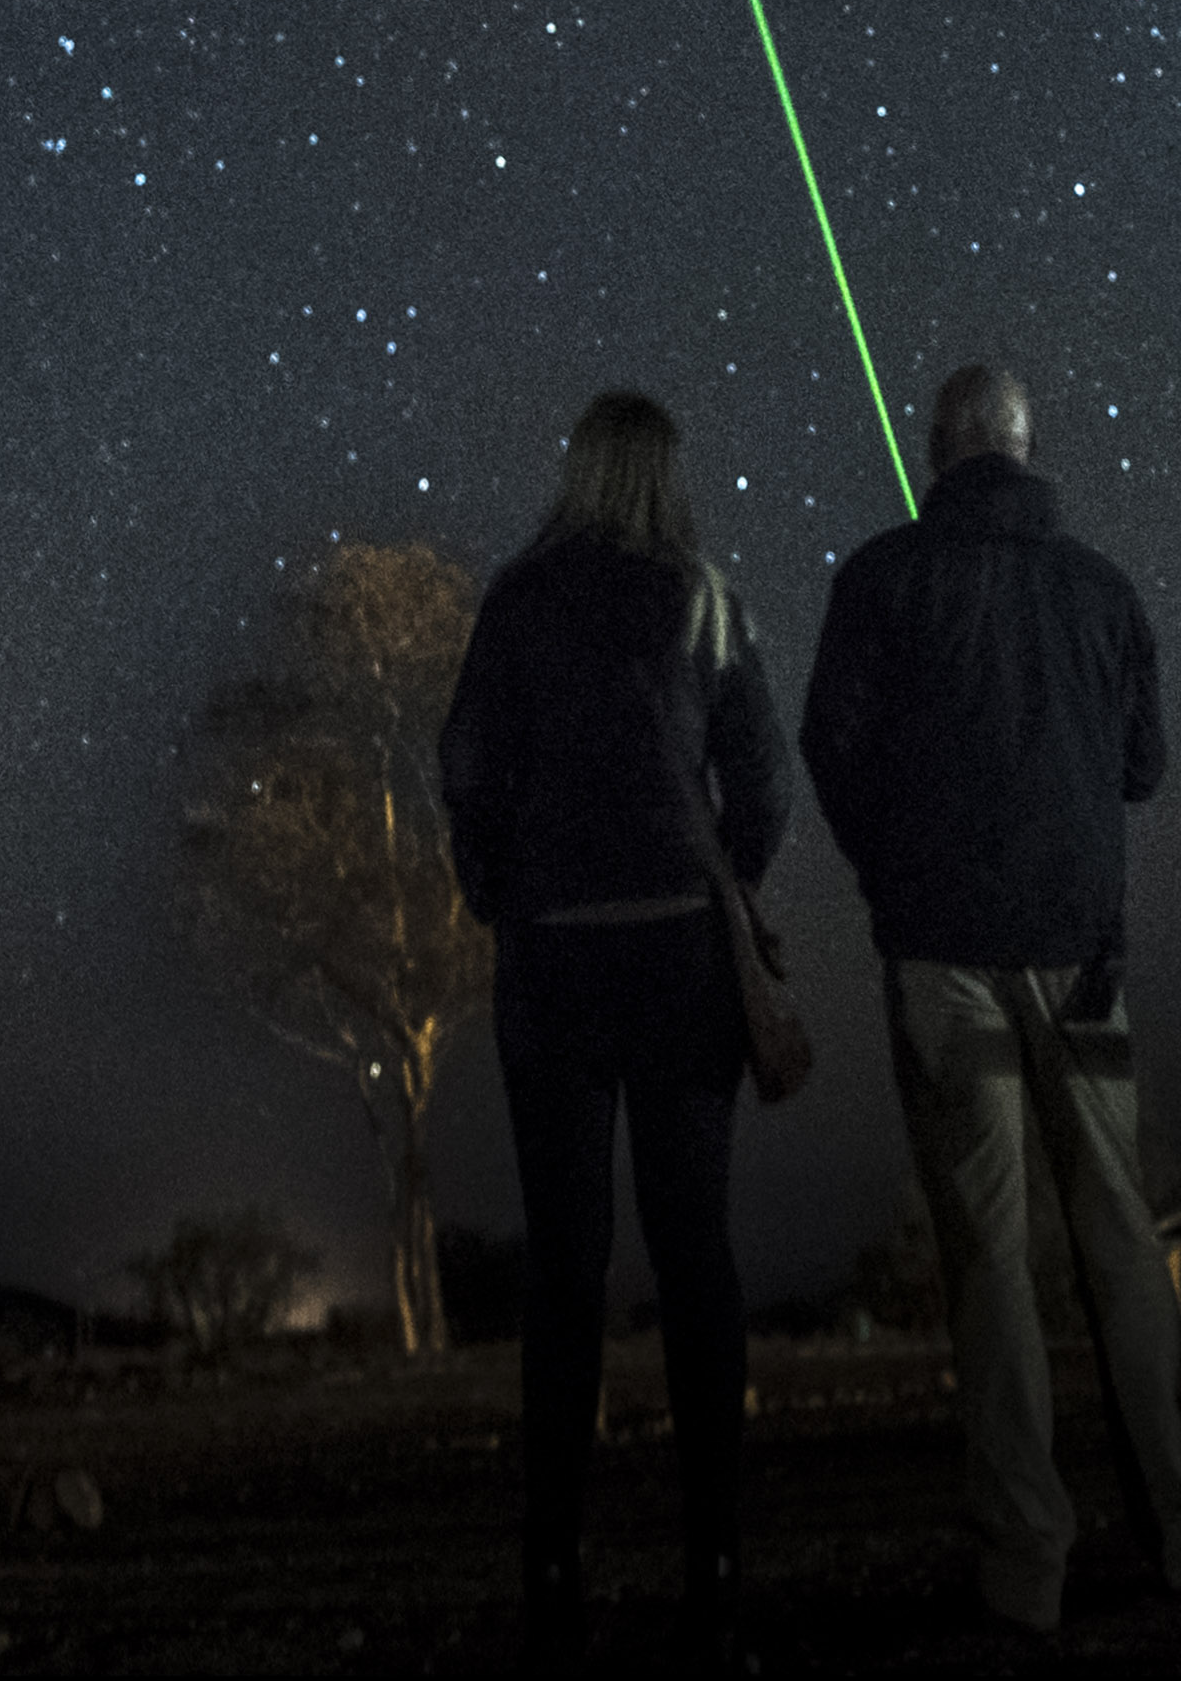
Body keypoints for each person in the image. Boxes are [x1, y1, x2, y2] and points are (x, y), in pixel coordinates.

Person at [797, 363, 1181, 1634]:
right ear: (1030, 449)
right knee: (1118, 1233)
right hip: (1081, 955)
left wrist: (893, 869)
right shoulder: (1102, 589)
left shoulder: (879, 578)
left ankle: (1025, 1561)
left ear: (937, 449)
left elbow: (830, 749)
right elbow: (1143, 767)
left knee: (986, 1251)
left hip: (943, 954)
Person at [438, 388, 796, 1664]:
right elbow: (762, 780)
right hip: (680, 955)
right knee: (696, 1255)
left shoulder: (518, 600)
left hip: (555, 961)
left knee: (564, 1268)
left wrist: (500, 891)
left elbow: (467, 764)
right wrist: (728, 881)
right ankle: (712, 1572)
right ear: (667, 474)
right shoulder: (706, 599)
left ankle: (552, 1573)